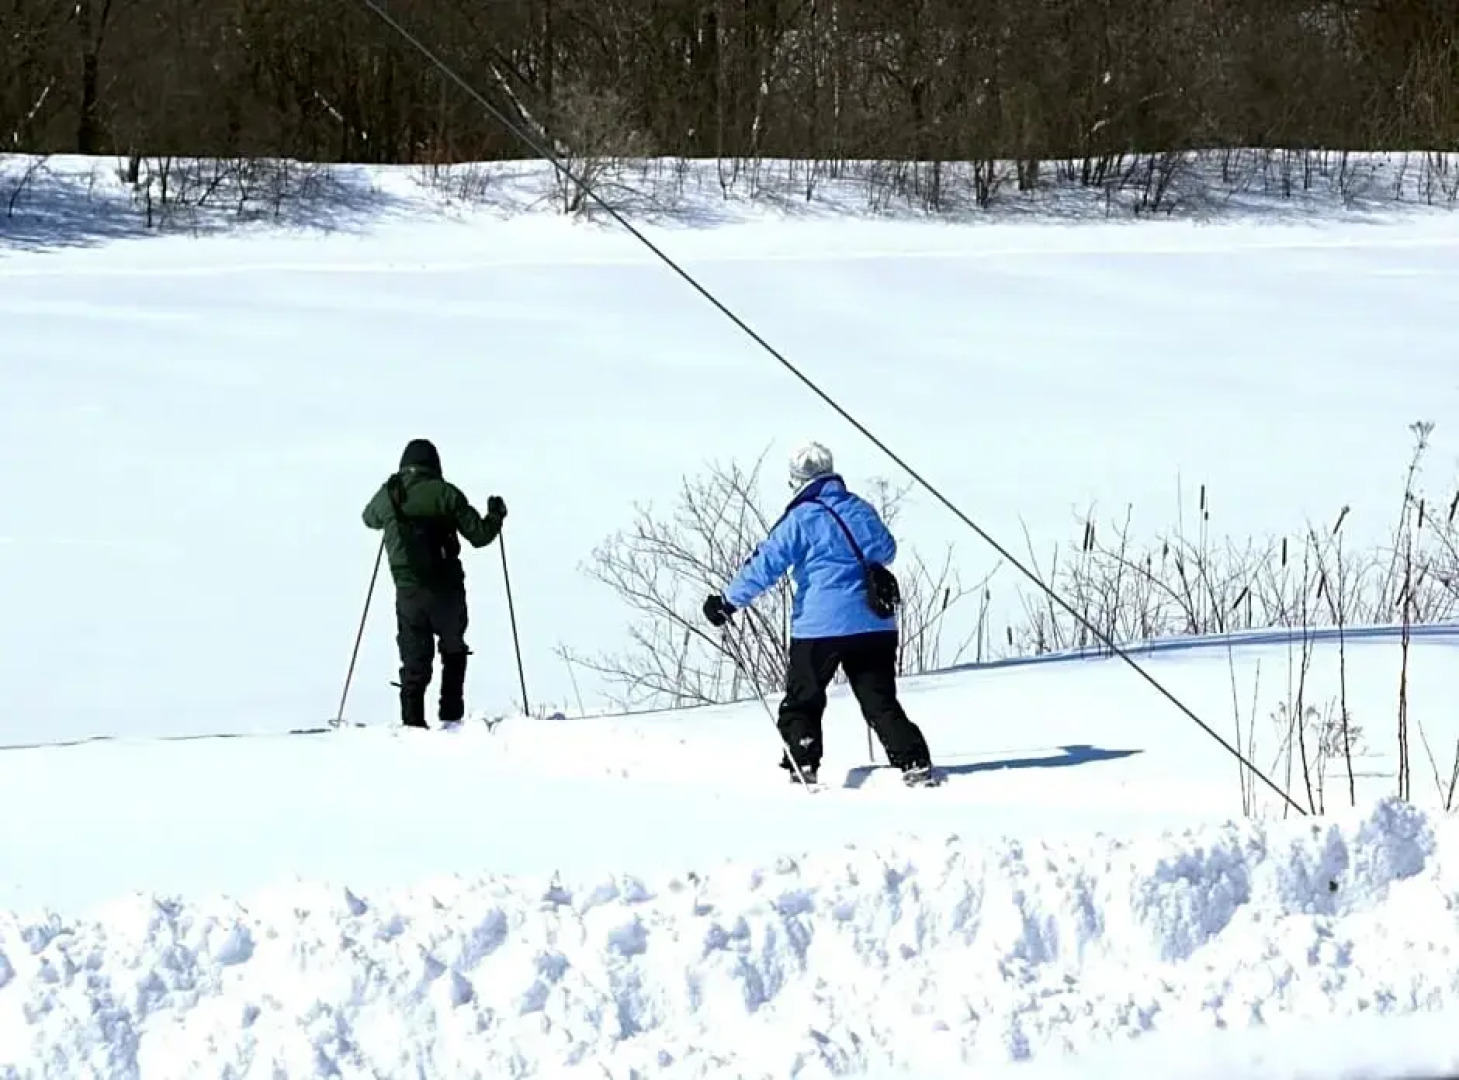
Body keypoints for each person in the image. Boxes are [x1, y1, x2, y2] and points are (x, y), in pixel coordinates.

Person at [702, 441, 938, 787]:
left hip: (820, 628)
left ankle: (803, 762)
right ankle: (913, 759)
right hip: (874, 623)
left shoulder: (800, 518)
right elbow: (887, 551)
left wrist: (727, 602)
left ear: (796, 479)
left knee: (804, 699)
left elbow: (765, 564)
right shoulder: (860, 508)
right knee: (879, 701)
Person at [362, 438, 506, 729]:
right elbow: (479, 536)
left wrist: (392, 506)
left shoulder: (390, 494)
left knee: (414, 659)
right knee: (453, 649)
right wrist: (495, 515)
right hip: (447, 589)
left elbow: (369, 519)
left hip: (408, 591)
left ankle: (412, 724)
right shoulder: (446, 493)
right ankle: (451, 717)